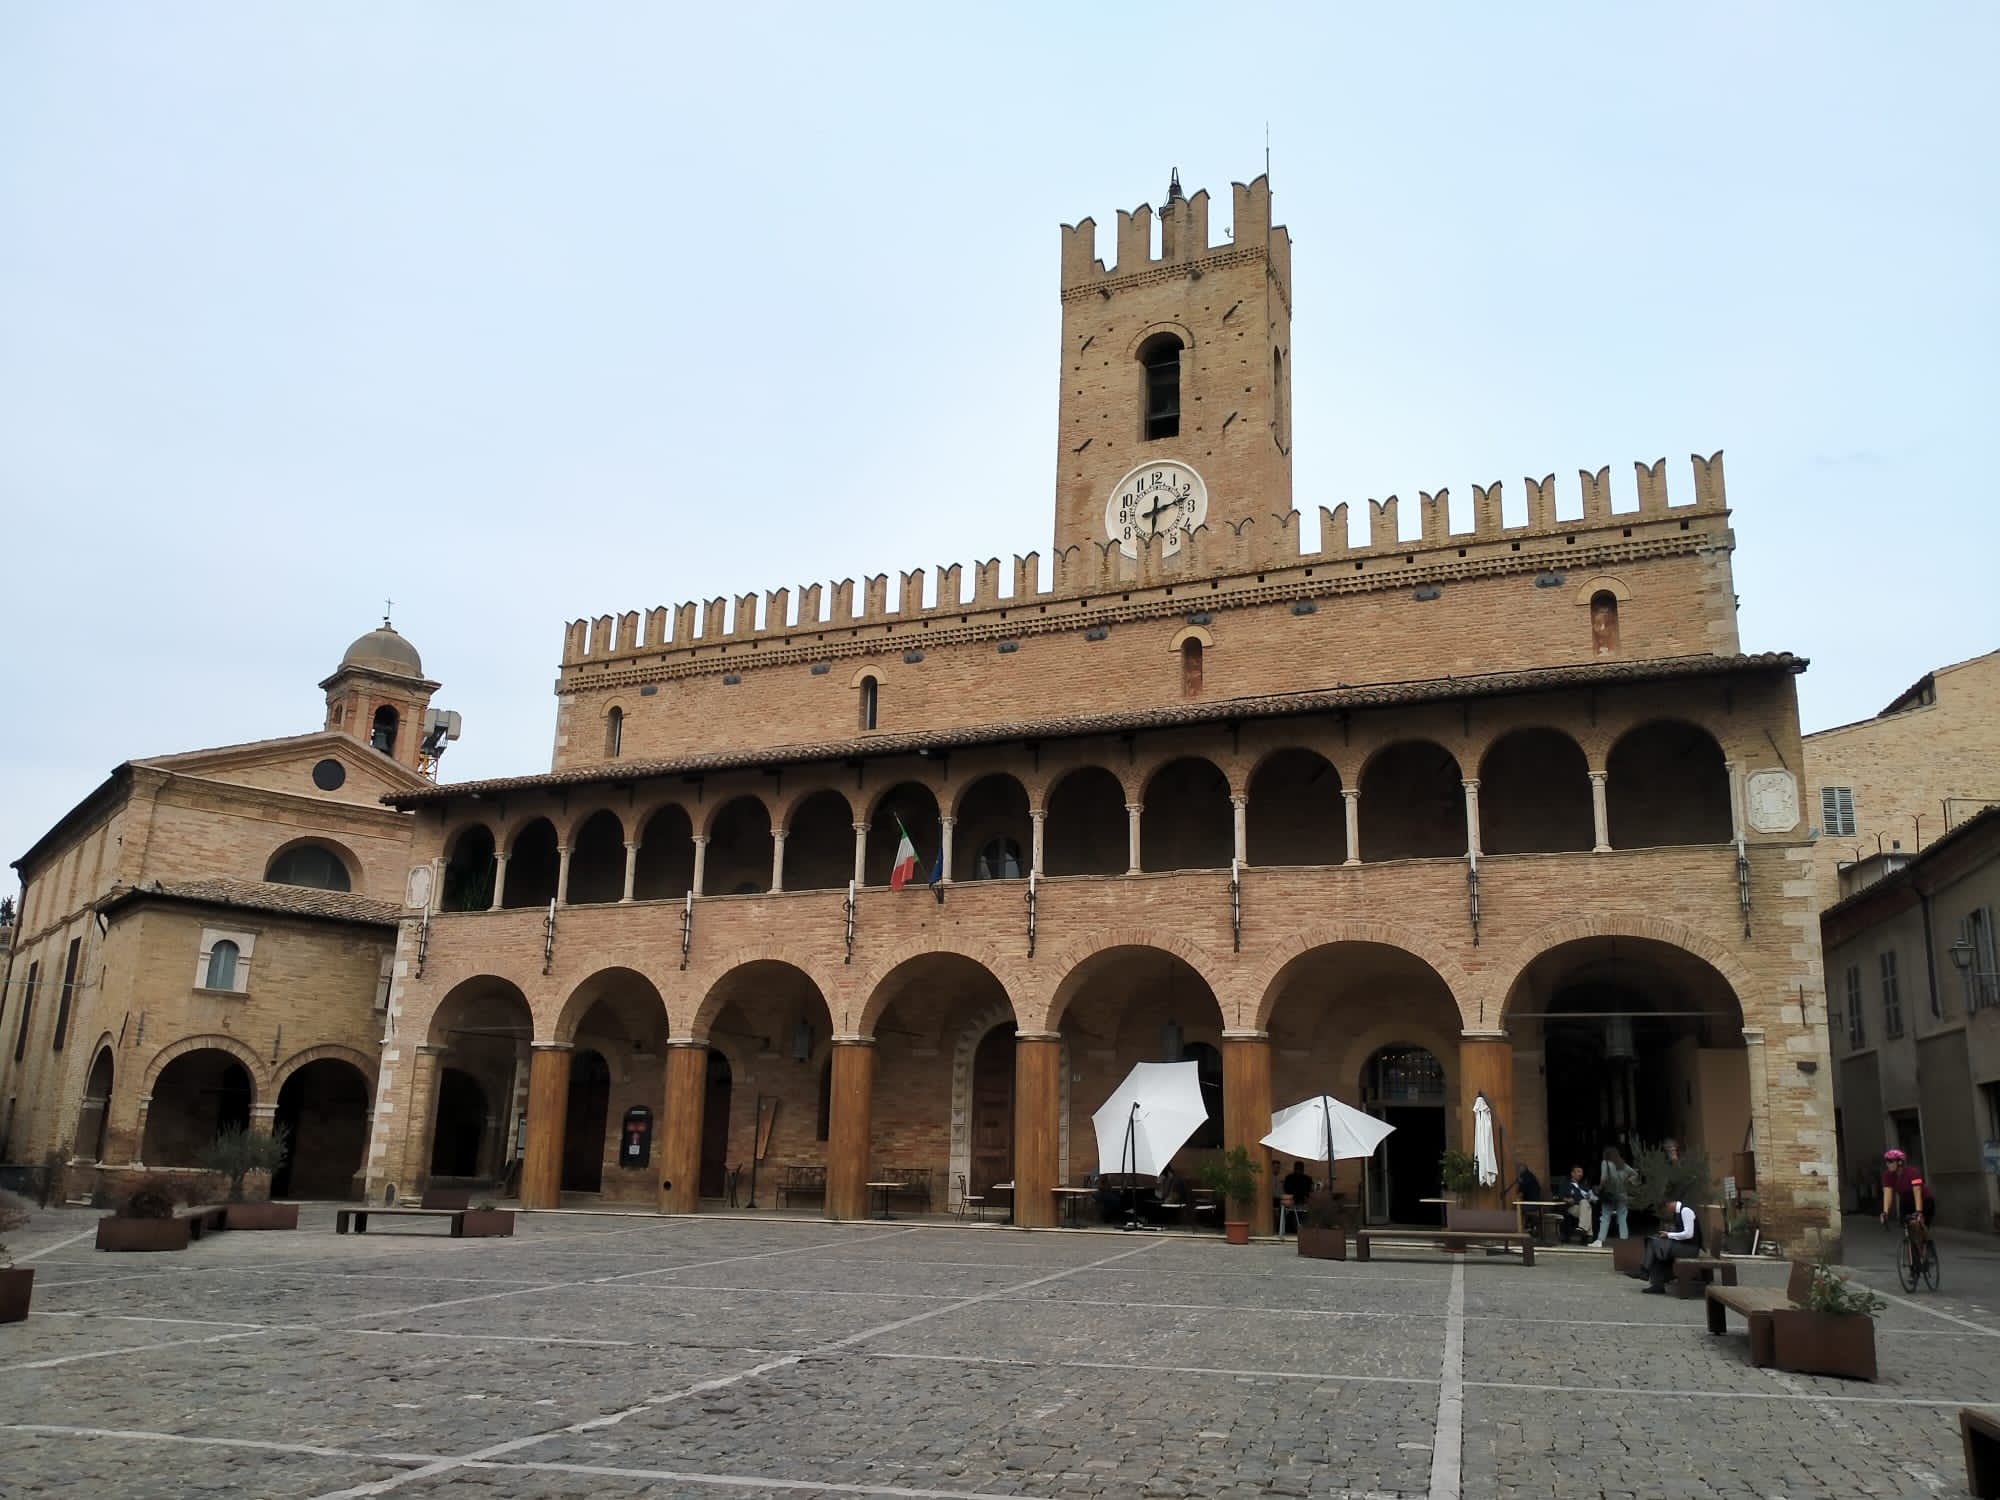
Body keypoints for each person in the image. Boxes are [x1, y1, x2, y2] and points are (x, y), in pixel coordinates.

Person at [1639, 1196, 1701, 1292]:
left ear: (1669, 1205)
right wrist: (1668, 1234)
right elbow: (1681, 1232)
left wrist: (1669, 1235)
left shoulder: (1686, 1211)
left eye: (1665, 1210)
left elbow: (1689, 1234)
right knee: (1655, 1245)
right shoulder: (1679, 1212)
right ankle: (1653, 1279)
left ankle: (1647, 1272)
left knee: (1655, 1246)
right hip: (1684, 1246)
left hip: (1690, 1249)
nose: (1667, 1213)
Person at [1591, 1146, 1633, 1247]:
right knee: (1622, 1218)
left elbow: (1604, 1179)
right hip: (1622, 1194)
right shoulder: (1622, 1164)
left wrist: (1599, 1188)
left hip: (1610, 1194)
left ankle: (1600, 1240)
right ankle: (1624, 1241)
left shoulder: (1605, 1163)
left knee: (1605, 1217)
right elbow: (1634, 1174)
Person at [1879, 1148, 1933, 1225]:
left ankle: (1922, 1230)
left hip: (1924, 1200)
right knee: (1904, 1223)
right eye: (1886, 1162)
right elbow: (1887, 1194)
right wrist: (1885, 1212)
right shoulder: (1887, 1175)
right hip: (1906, 1202)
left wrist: (1918, 1211)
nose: (1887, 1164)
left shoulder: (1913, 1172)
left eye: (1890, 1161)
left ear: (1900, 1162)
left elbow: (1917, 1192)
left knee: (1918, 1224)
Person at [1557, 1164, 1596, 1243]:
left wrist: (1590, 1197)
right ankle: (1588, 1234)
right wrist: (1567, 1199)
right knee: (1587, 1208)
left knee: (1585, 1203)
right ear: (1572, 1173)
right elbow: (1560, 1196)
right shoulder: (1566, 1184)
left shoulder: (1584, 1185)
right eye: (1578, 1172)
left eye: (1581, 1172)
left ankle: (1582, 1228)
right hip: (1572, 1207)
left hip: (1584, 1207)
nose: (1580, 1174)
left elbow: (1594, 1198)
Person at [1280, 1160, 1315, 1230]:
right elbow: (1311, 1190)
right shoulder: (1307, 1178)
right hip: (1297, 1201)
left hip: (1296, 1201)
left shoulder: (1289, 1177)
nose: (1299, 1170)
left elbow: (1286, 1189)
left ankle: (1292, 1227)